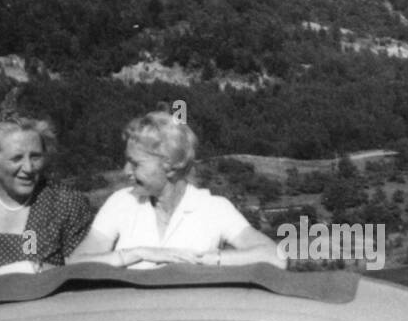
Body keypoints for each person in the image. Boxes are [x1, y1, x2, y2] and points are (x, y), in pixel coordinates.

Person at [70, 111, 284, 269]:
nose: (126, 171)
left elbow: (275, 256)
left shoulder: (214, 209)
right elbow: (75, 262)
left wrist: (208, 259)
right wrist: (137, 254)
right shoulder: (121, 202)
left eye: (135, 164)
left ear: (171, 165)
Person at [0, 116, 95, 285]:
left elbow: (82, 271)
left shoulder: (66, 204)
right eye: (17, 158)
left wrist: (33, 269)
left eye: (35, 157)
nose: (28, 168)